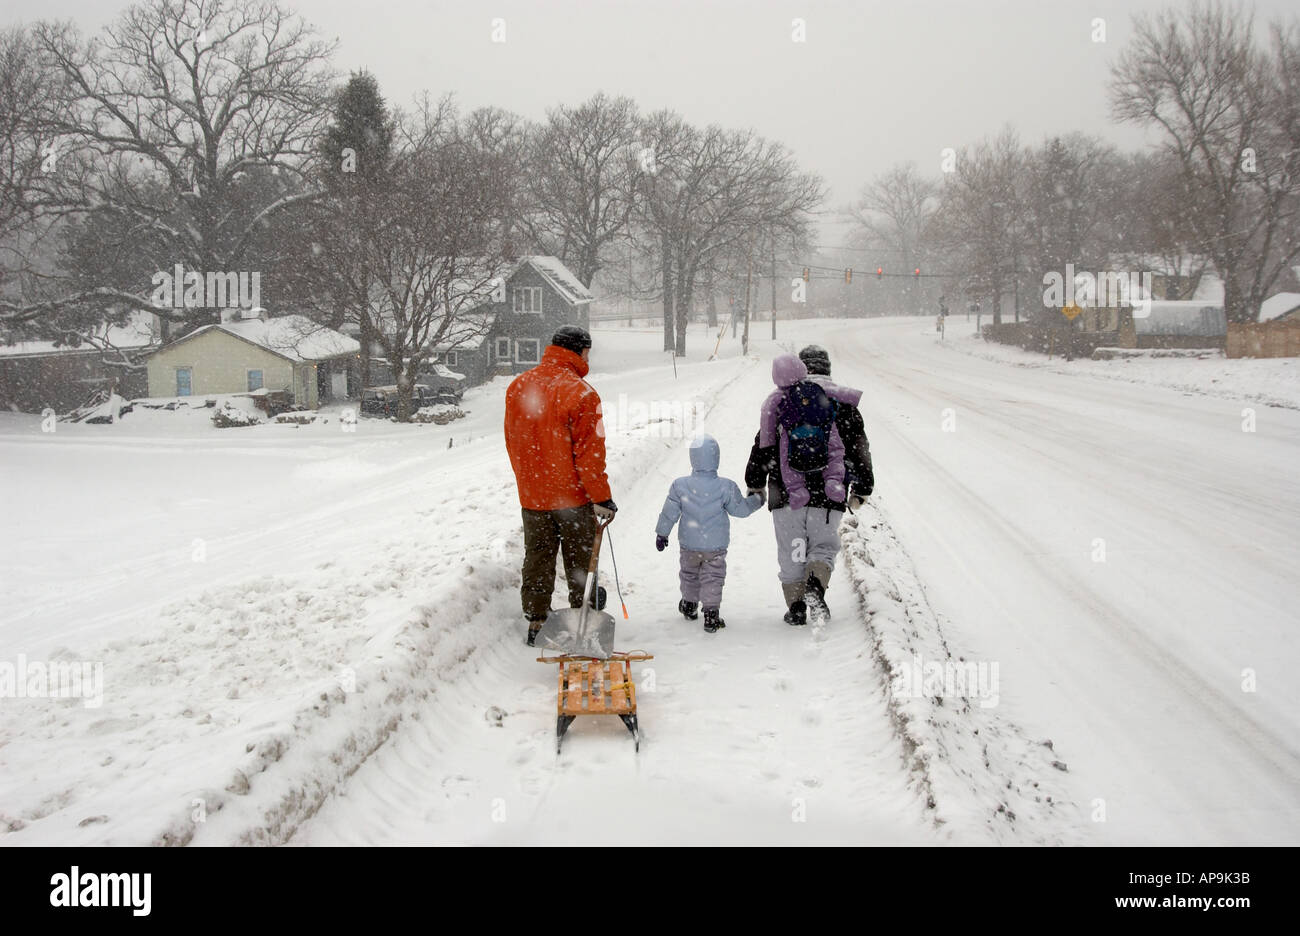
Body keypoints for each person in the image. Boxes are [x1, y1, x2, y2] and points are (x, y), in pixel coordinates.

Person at [504, 326, 618, 647]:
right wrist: (601, 498)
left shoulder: (517, 387)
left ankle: (537, 621)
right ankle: (583, 618)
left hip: (533, 495)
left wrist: (528, 482)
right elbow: (590, 456)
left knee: (538, 557)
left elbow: (514, 442)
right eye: (587, 351)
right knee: (580, 559)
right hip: (572, 498)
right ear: (578, 351)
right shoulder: (581, 394)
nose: (588, 358)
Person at [746, 353, 863, 626]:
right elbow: (858, 446)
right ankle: (815, 585)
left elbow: (761, 448)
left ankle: (796, 606)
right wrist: (862, 486)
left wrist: (755, 483)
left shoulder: (776, 405)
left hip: (785, 495)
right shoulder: (836, 402)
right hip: (827, 495)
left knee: (791, 552)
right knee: (822, 547)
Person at [654, 434, 762, 633]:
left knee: (689, 574)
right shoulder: (726, 486)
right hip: (715, 546)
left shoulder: (680, 485)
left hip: (689, 543)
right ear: (716, 458)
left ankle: (689, 603)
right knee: (713, 577)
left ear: (692, 458)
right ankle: (711, 613)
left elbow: (669, 512)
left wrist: (662, 533)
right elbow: (740, 510)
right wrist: (757, 500)